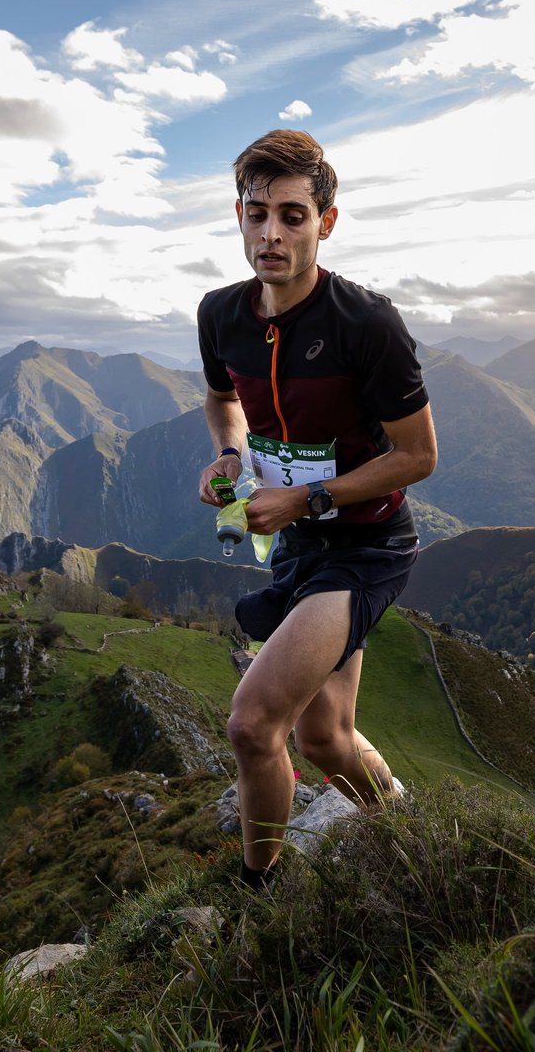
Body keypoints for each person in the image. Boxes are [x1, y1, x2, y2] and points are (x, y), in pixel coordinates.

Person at [195, 129, 437, 889]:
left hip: (365, 546)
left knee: (252, 723)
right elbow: (222, 398)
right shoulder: (220, 314)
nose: (271, 233)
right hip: (295, 544)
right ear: (237, 215)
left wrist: (306, 495)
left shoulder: (367, 324)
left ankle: (255, 890)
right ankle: (407, 827)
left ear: (325, 223)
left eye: (292, 216)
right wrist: (231, 457)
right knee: (327, 737)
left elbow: (418, 457)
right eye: (257, 213)